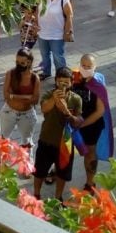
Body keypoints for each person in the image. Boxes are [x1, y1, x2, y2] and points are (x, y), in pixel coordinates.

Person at [33, 68, 84, 200]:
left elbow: (77, 121)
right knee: (39, 171)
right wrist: (54, 100)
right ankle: (36, 194)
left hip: (65, 143)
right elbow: (44, 108)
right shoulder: (48, 94)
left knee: (62, 174)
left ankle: (58, 197)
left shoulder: (76, 99)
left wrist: (67, 111)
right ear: (56, 81)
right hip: (46, 140)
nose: (63, 85)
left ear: (71, 83)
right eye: (60, 82)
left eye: (66, 82)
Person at [72, 53, 112, 189]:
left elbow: (100, 111)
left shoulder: (97, 85)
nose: (86, 68)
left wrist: (81, 124)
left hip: (91, 126)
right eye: (83, 65)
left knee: (90, 153)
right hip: (72, 122)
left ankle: (90, 182)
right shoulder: (74, 78)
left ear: (95, 67)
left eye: (89, 66)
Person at [0, 47, 40, 148]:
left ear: (29, 63)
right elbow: (6, 95)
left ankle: (27, 164)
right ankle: (1, 163)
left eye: (22, 63)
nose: (19, 65)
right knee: (3, 141)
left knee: (27, 143)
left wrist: (13, 96)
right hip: (9, 112)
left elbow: (35, 100)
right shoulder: (11, 73)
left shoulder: (34, 78)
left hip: (27, 114)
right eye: (17, 62)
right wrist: (27, 97)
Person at [36, 0, 74, 80]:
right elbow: (37, 9)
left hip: (57, 34)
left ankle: (61, 77)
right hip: (42, 32)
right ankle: (46, 72)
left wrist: (67, 32)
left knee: (58, 57)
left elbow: (69, 16)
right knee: (44, 55)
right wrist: (36, 24)